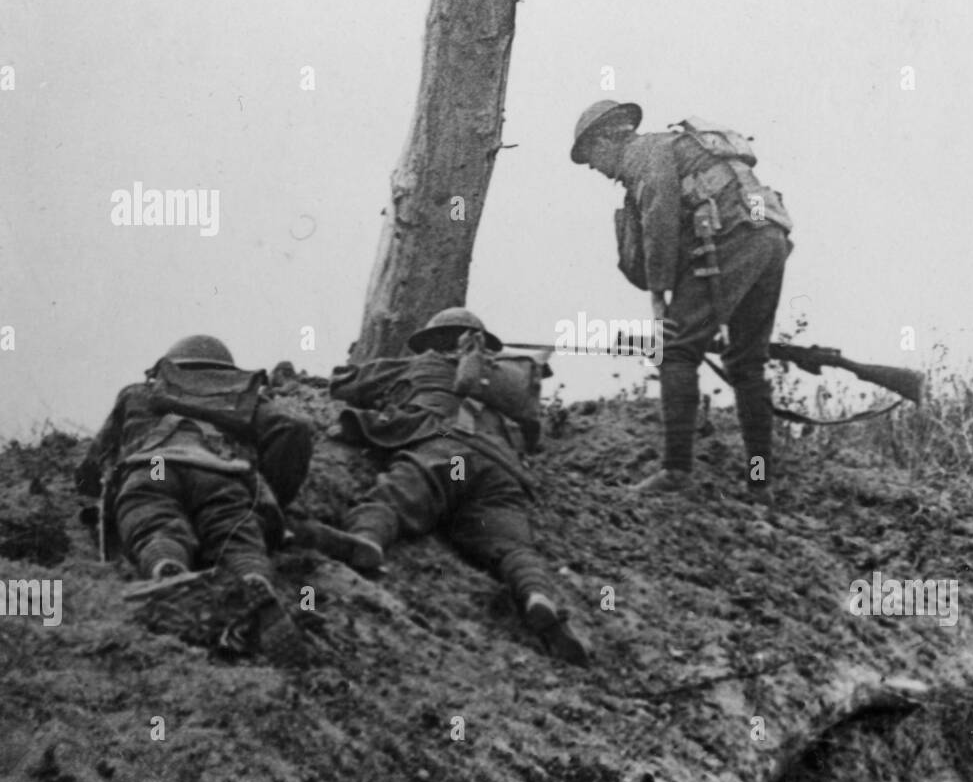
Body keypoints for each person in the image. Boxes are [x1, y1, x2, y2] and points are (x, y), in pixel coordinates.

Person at [319, 307, 592, 667]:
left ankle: (367, 538)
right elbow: (532, 437)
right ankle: (536, 594)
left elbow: (344, 385)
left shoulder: (415, 366)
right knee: (512, 547)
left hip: (445, 449)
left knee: (398, 496)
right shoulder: (498, 383)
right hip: (498, 470)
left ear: (432, 341)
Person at [571, 100, 793, 496]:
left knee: (676, 351)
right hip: (769, 237)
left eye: (591, 157)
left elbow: (659, 223)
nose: (594, 168)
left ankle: (676, 472)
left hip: (731, 239)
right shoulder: (672, 148)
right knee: (748, 363)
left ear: (607, 139)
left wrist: (659, 297)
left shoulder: (644, 154)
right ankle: (760, 483)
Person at [75, 334, 313, 660]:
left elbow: (92, 463)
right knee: (235, 537)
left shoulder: (138, 393)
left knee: (155, 525)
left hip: (152, 468)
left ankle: (166, 565)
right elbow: (293, 428)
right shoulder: (246, 396)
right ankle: (252, 576)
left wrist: (90, 486)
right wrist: (269, 498)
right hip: (221, 473)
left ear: (168, 366)